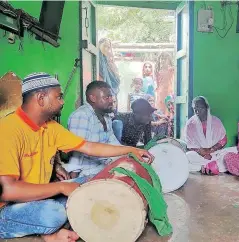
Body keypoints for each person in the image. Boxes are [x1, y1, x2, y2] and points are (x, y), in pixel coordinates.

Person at [0, 73, 153, 242]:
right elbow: (7, 191)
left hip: (38, 196)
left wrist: (131, 150)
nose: (62, 102)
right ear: (41, 98)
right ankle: (48, 232)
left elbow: (89, 147)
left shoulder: (49, 127)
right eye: (58, 97)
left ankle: (48, 229)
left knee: (92, 182)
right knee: (54, 213)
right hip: (6, 208)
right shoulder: (8, 130)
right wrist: (60, 188)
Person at [65, 81, 121, 178]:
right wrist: (74, 182)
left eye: (111, 97)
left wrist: (130, 153)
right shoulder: (82, 116)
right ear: (93, 98)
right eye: (107, 97)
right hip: (87, 173)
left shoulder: (106, 116)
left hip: (104, 168)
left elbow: (113, 142)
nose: (111, 100)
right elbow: (77, 152)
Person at [184, 96, 237, 175]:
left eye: (200, 108)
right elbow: (190, 144)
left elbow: (223, 140)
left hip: (215, 153)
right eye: (195, 109)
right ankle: (211, 166)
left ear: (207, 107)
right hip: (199, 155)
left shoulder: (216, 121)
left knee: (235, 150)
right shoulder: (190, 124)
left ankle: (203, 167)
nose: (197, 111)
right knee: (188, 156)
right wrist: (202, 153)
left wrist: (211, 150)